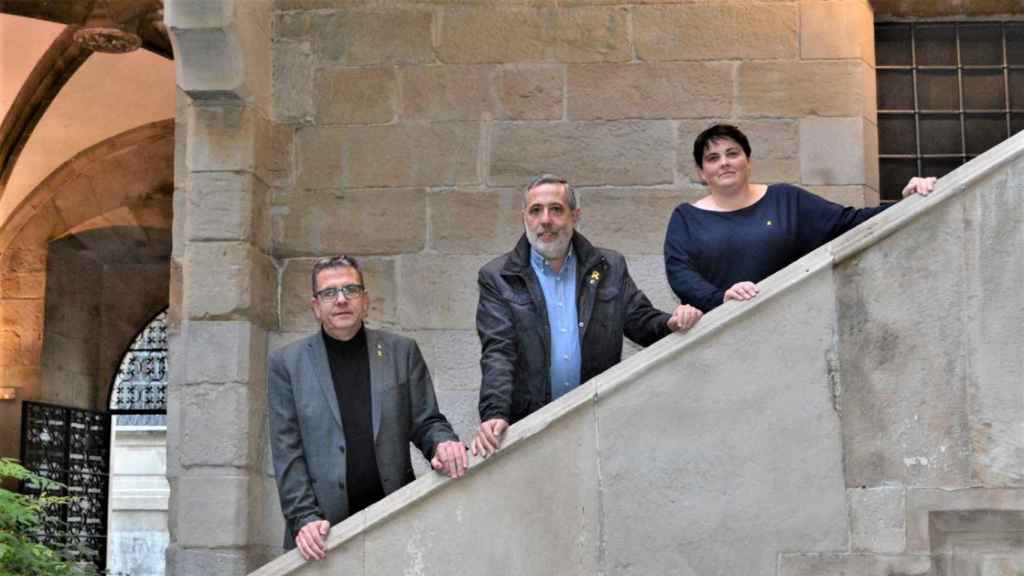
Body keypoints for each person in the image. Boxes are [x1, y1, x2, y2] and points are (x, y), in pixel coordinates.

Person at [472, 174, 703, 457]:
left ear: (574, 216)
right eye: (536, 210)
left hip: (598, 425)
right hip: (530, 428)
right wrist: (494, 412)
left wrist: (672, 322)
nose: (545, 220)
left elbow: (640, 320)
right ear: (524, 218)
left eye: (556, 209)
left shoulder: (609, 266)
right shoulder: (498, 277)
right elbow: (498, 351)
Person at [267, 255, 467, 561]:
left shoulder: (402, 352)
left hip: (394, 520)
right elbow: (287, 452)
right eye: (329, 293)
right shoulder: (287, 365)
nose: (341, 299)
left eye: (351, 289)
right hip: (322, 534)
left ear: (365, 301)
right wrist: (304, 519)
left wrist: (443, 444)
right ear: (315, 307)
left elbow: (427, 422)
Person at [665, 123, 936, 313]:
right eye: (712, 158)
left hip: (791, 324)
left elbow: (849, 222)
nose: (724, 162)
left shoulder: (786, 200)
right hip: (717, 335)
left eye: (732, 153)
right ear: (702, 173)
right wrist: (722, 298)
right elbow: (680, 274)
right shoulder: (686, 218)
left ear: (748, 161)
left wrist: (905, 201)